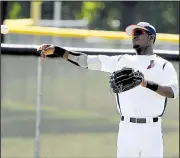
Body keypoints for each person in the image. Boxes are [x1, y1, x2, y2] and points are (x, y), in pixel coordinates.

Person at [38, 22, 179, 158]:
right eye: (133, 33)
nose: (134, 36)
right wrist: (57, 50)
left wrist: (145, 83)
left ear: (151, 38)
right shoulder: (122, 61)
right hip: (127, 129)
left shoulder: (163, 66)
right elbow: (85, 61)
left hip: (151, 131)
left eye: (139, 32)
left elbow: (172, 92)